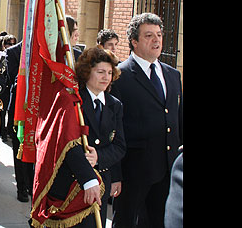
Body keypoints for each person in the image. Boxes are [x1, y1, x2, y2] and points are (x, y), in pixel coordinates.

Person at [110, 13, 183, 228]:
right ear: (134, 41)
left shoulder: (172, 75)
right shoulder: (120, 76)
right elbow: (114, 129)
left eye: (159, 35)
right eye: (149, 35)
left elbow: (177, 117)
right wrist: (115, 174)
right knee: (125, 222)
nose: (157, 40)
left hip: (167, 169)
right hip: (134, 172)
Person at [74, 47, 126, 227]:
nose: (106, 77)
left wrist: (100, 158)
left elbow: (119, 145)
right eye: (100, 72)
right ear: (87, 72)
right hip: (76, 183)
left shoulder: (115, 105)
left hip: (102, 180)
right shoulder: (75, 101)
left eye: (110, 72)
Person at [3, 40, 35, 202]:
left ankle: (32, 184)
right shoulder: (13, 52)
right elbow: (10, 82)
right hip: (19, 110)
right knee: (20, 149)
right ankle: (21, 186)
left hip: (37, 111)